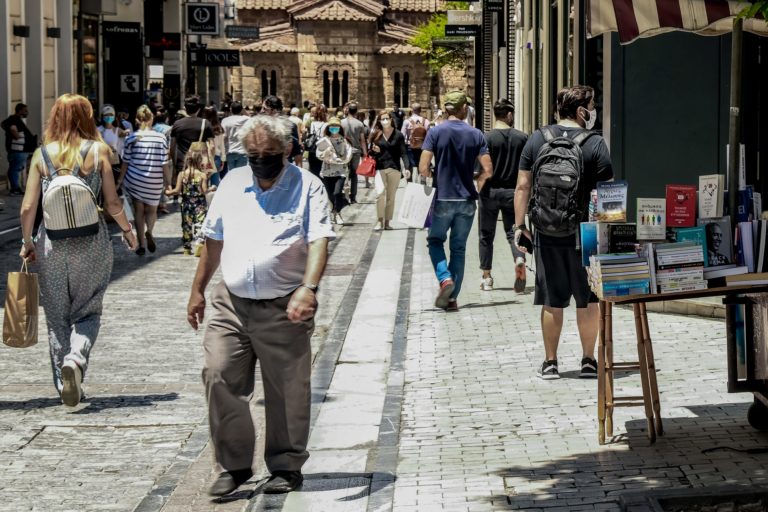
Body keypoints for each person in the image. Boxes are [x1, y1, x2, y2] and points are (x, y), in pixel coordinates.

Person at [187, 114, 334, 497]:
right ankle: (233, 465)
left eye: (268, 153)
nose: (260, 160)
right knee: (218, 375)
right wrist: (198, 289)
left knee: (287, 388)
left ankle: (286, 465)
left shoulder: (308, 186)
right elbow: (213, 240)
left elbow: (319, 239)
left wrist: (309, 288)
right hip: (231, 303)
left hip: (285, 304)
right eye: (253, 154)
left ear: (286, 150)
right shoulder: (232, 183)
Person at [18, 93, 138, 406]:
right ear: (87, 117)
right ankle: (76, 358)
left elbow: (29, 205)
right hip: (92, 242)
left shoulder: (41, 154)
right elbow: (112, 202)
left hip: (51, 244)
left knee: (57, 317)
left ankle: (64, 384)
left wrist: (27, 242)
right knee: (88, 310)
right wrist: (128, 230)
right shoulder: (99, 150)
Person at [513, 85, 614, 380]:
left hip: (546, 231)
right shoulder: (595, 143)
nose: (594, 110)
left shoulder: (537, 139)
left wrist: (520, 227)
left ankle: (550, 362)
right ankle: (587, 360)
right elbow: (608, 191)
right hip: (586, 234)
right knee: (589, 299)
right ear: (582, 111)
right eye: (592, 105)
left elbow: (522, 187)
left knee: (550, 299)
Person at [418, 91, 492, 312]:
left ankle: (445, 280)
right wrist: (475, 179)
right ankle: (452, 299)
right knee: (458, 248)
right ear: (462, 109)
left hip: (442, 198)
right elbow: (488, 170)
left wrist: (435, 175)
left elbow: (423, 167)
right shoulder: (476, 134)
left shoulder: (435, 132)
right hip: (467, 199)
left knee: (435, 241)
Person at [479, 99, 529, 293]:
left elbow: (482, 169)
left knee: (486, 235)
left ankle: (487, 277)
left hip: (489, 192)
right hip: (513, 192)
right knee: (514, 231)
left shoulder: (486, 138)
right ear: (509, 115)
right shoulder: (522, 138)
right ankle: (519, 259)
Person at [117, 105, 169, 256]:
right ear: (151, 119)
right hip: (154, 179)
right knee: (152, 210)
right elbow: (164, 162)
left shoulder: (131, 138)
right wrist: (168, 182)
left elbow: (125, 161)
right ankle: (150, 231)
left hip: (135, 179)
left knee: (139, 211)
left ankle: (141, 243)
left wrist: (120, 180)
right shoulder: (160, 138)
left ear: (137, 120)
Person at [165, 142, 209, 256]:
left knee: (186, 224)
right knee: (200, 223)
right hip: (200, 204)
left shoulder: (182, 174)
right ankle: (199, 242)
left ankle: (187, 248)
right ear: (199, 161)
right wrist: (212, 188)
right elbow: (204, 190)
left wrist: (168, 192)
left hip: (186, 204)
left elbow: (177, 191)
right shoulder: (202, 175)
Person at [369, 110, 409, 231]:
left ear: (391, 119)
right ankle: (379, 221)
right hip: (380, 168)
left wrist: (407, 168)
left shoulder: (398, 135)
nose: (385, 121)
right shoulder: (377, 134)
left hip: (394, 168)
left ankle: (387, 222)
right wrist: (373, 151)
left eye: (387, 118)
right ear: (379, 121)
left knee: (391, 197)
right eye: (382, 119)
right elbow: (370, 153)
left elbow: (403, 153)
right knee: (380, 194)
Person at [169, 96, 214, 185]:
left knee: (182, 189)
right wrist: (209, 164)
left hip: (182, 163)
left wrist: (175, 164)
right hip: (200, 163)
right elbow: (212, 146)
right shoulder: (205, 123)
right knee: (201, 189)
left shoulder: (177, 124)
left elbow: (172, 146)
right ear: (198, 109)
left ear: (185, 109)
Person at [316, 117, 352, 225]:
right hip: (327, 171)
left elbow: (348, 154)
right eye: (332, 127)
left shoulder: (344, 140)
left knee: (337, 192)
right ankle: (334, 213)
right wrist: (326, 152)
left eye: (336, 126)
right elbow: (319, 155)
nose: (334, 129)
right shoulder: (324, 140)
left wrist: (342, 160)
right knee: (330, 194)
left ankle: (338, 212)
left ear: (340, 128)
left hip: (340, 170)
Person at [2, 103, 36, 195]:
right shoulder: (14, 119)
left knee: (15, 168)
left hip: (19, 150)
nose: (27, 112)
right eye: (25, 111)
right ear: (19, 111)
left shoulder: (15, 120)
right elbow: (12, 129)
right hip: (18, 150)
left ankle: (16, 188)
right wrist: (17, 137)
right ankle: (15, 188)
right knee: (15, 169)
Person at [261, 95, 303, 168]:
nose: (262, 111)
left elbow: (297, 152)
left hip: (283, 169)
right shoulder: (260, 125)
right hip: (263, 168)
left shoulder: (289, 126)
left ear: (274, 110)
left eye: (265, 108)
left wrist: (301, 173)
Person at [341, 102, 367, 204]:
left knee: (344, 173)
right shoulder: (360, 124)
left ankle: (344, 195)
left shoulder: (341, 122)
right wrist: (365, 153)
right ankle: (353, 197)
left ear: (348, 111)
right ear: (356, 111)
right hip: (356, 151)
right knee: (354, 174)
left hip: (344, 151)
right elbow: (362, 140)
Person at [97, 105, 128, 184]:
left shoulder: (118, 130)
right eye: (106, 115)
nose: (109, 117)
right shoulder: (98, 130)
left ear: (114, 116)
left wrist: (127, 133)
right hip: (100, 162)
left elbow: (127, 136)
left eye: (111, 115)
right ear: (102, 116)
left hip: (114, 163)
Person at [401, 103, 429, 177]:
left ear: (411, 110)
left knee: (409, 167)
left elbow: (402, 136)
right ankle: (422, 185)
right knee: (422, 167)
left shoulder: (406, 121)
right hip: (422, 147)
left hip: (410, 146)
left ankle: (409, 185)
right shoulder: (426, 121)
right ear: (420, 110)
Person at [221, 101, 250, 173]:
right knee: (241, 174)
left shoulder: (225, 120)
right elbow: (251, 118)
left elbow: (224, 137)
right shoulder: (247, 119)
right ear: (241, 110)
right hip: (242, 151)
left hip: (230, 150)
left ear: (230, 109)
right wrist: (244, 111)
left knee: (231, 174)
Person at [201, 106, 225, 187]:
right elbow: (222, 145)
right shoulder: (219, 128)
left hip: (204, 156)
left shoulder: (202, 127)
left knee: (203, 183)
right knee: (215, 184)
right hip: (216, 157)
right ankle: (214, 199)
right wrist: (223, 159)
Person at [306, 105, 328, 177]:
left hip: (313, 147)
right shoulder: (326, 124)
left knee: (313, 168)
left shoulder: (313, 123)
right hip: (321, 147)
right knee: (320, 168)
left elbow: (311, 134)